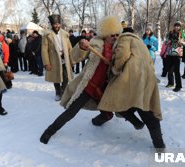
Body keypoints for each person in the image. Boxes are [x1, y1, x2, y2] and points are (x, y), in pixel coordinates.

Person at [40, 16, 144, 145]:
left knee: (117, 107)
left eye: (118, 34)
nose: (115, 37)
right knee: (71, 112)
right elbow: (74, 58)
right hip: (89, 86)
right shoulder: (95, 44)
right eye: (112, 35)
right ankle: (49, 131)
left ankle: (132, 122)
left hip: (106, 88)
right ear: (105, 34)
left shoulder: (119, 48)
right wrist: (82, 47)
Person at [92, 25, 165, 152]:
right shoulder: (140, 42)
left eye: (117, 35)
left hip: (132, 77)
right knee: (145, 107)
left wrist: (115, 69)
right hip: (147, 77)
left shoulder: (124, 39)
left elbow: (122, 56)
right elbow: (150, 61)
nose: (116, 37)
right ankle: (159, 144)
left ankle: (136, 123)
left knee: (114, 100)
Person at [41, 14, 73, 101]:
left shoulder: (65, 34)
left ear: (60, 24)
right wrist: (47, 63)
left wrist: (71, 59)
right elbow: (44, 50)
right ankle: (58, 93)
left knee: (66, 76)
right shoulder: (47, 35)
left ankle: (62, 91)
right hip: (54, 59)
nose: (57, 25)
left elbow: (69, 47)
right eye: (55, 24)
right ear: (52, 25)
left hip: (64, 58)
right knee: (56, 77)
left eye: (58, 24)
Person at [165, 21, 185, 92]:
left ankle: (178, 86)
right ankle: (171, 83)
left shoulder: (183, 33)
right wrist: (170, 41)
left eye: (178, 26)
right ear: (174, 26)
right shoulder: (170, 33)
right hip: (169, 53)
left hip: (177, 54)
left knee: (176, 70)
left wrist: (178, 40)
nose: (177, 27)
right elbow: (165, 42)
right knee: (169, 69)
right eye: (176, 26)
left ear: (180, 27)